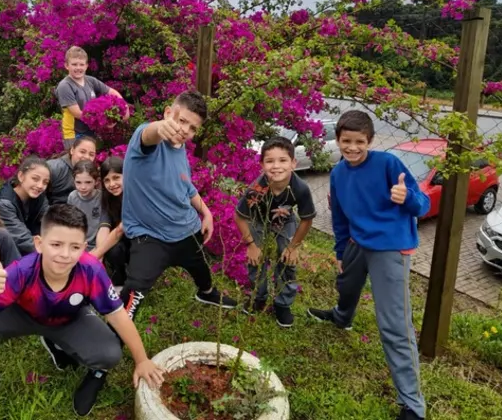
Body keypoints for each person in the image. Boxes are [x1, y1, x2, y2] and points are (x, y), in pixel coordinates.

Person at [0, 204, 165, 419]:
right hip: (24, 315)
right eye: (56, 244)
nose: (64, 254)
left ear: (83, 247)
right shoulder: (21, 271)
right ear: (39, 244)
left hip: (69, 318)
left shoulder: (91, 269)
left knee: (110, 354)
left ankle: (93, 370)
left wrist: (142, 360)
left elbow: (117, 315)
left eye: (74, 247)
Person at [306, 110, 430, 420]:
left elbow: (422, 203)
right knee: (346, 284)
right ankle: (341, 317)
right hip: (356, 242)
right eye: (346, 141)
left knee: (394, 324)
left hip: (389, 246)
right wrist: (339, 249)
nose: (352, 148)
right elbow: (340, 217)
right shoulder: (337, 173)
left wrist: (407, 198)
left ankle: (413, 405)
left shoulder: (387, 164)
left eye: (359, 142)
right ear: (338, 140)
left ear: (370, 141)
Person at [119, 90, 238, 321]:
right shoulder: (145, 139)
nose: (185, 130)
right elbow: (149, 134)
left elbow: (186, 186)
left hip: (187, 230)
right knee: (134, 290)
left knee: (201, 267)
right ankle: (114, 336)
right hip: (151, 237)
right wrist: (160, 127)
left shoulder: (180, 149)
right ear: (168, 113)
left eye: (193, 128)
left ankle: (207, 293)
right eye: (182, 121)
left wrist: (206, 212)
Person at [234, 136, 316, 328]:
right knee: (256, 260)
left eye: (283, 160)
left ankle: (282, 303)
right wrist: (251, 245)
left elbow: (307, 219)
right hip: (258, 221)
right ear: (262, 164)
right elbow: (239, 217)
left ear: (293, 163)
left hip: (284, 221)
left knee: (287, 261)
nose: (276, 166)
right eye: (270, 161)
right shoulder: (257, 188)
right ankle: (258, 296)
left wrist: (293, 247)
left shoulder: (300, 189)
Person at [56, 46, 124, 150]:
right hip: (74, 134)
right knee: (77, 164)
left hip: (90, 131)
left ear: (86, 66)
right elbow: (77, 113)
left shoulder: (90, 81)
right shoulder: (65, 86)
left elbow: (111, 91)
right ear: (66, 65)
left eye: (81, 64)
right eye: (74, 64)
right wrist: (104, 123)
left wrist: (123, 106)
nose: (78, 68)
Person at [0, 157, 50, 256]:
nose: (40, 185)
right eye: (35, 179)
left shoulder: (39, 197)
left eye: (45, 182)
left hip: (33, 249)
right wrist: (55, 251)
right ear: (21, 176)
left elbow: (51, 219)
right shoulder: (3, 204)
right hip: (8, 256)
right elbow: (22, 239)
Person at [89, 156, 130, 286]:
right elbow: (104, 227)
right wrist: (100, 256)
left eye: (116, 177)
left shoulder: (135, 194)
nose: (112, 184)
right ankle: (119, 279)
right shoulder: (108, 198)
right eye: (107, 180)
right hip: (122, 242)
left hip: (143, 242)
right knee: (113, 250)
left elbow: (120, 230)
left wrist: (96, 254)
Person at [45, 137, 98, 205]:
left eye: (91, 154)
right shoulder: (53, 168)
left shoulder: (92, 173)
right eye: (82, 152)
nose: (87, 157)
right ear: (72, 150)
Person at [66, 160, 102, 251]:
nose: (83, 187)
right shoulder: (72, 197)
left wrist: (98, 248)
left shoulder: (101, 197)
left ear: (96, 181)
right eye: (78, 182)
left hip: (97, 244)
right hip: (78, 244)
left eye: (88, 182)